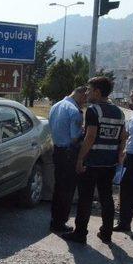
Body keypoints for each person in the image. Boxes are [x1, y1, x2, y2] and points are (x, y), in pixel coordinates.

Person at [62, 77, 127, 244]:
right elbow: (123, 136)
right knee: (106, 197)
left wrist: (80, 159)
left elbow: (90, 137)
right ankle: (106, 233)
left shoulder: (93, 110)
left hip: (92, 162)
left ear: (97, 92)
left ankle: (80, 233)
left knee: (85, 198)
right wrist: (119, 154)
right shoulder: (119, 112)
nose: (87, 93)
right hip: (110, 163)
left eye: (89, 90)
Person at [47, 85, 87, 233]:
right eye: (85, 98)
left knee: (58, 187)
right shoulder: (74, 111)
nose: (85, 102)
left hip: (57, 150)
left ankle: (54, 220)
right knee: (67, 190)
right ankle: (60, 222)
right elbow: (74, 137)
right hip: (69, 153)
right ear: (81, 95)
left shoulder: (56, 106)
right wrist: (84, 133)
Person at [115, 90, 133, 236]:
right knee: (126, 189)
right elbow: (127, 135)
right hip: (131, 157)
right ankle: (124, 223)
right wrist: (122, 152)